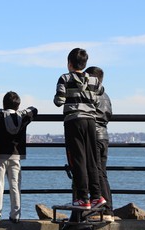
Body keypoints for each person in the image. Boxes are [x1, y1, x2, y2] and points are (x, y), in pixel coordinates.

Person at [53, 48, 106, 210]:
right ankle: (96, 196)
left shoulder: (65, 78)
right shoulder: (94, 81)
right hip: (90, 121)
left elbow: (59, 100)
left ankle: (83, 198)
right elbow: (99, 96)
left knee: (78, 159)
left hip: (73, 121)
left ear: (69, 63)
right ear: (85, 64)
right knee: (91, 158)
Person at [0, 91, 38, 223]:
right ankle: (15, 214)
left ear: (4, 104)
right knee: (15, 185)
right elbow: (34, 109)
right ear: (18, 105)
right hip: (16, 155)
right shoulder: (22, 117)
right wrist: (23, 111)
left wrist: (1, 110)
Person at [85, 66, 114, 222]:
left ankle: (105, 210)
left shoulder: (91, 94)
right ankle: (109, 209)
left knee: (95, 172)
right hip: (104, 136)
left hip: (93, 136)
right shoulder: (107, 96)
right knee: (102, 172)